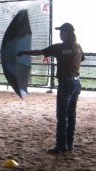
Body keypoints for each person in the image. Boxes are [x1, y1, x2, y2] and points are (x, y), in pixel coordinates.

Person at [17, 23, 85, 154]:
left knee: (62, 115)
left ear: (67, 34)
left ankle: (61, 145)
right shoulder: (78, 47)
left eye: (62, 32)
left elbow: (41, 52)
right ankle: (70, 143)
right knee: (71, 115)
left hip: (65, 84)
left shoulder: (59, 48)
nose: (60, 34)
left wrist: (24, 52)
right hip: (76, 82)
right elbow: (81, 59)